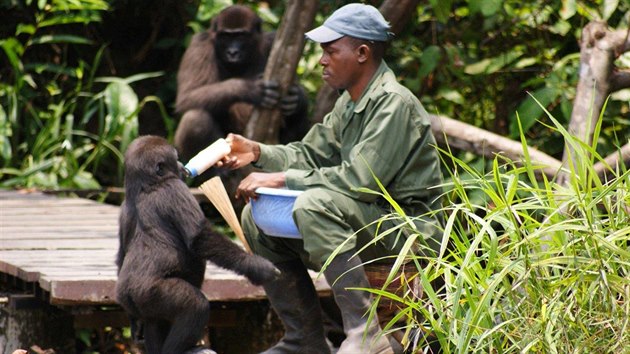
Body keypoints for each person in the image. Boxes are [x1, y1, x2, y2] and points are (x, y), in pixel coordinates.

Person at [221, 3, 443, 354]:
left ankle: (366, 330)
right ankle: (304, 337)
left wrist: (284, 179)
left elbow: (359, 182)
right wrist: (258, 152)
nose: (322, 60)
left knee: (313, 204)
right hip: (368, 220)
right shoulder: (349, 103)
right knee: (256, 214)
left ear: (362, 53)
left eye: (330, 50)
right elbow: (309, 154)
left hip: (408, 231)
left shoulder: (393, 104)